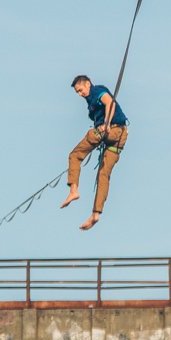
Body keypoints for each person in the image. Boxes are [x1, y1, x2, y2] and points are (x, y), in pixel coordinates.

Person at [60, 75, 129, 230]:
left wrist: (106, 124)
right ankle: (95, 214)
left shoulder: (97, 90)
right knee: (103, 174)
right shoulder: (89, 102)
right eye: (77, 92)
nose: (80, 94)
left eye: (80, 90)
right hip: (120, 138)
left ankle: (73, 190)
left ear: (88, 84)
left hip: (113, 132)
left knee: (75, 155)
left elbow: (109, 102)